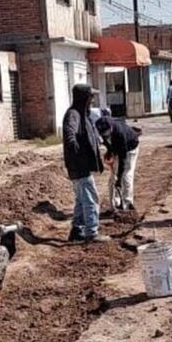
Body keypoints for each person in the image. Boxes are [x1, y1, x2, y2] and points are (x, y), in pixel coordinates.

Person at [62, 84, 110, 244]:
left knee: (82, 199)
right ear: (84, 98)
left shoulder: (80, 113)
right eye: (91, 96)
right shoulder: (73, 115)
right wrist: (77, 155)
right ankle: (92, 232)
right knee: (91, 198)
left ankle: (77, 230)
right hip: (79, 166)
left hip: (78, 166)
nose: (93, 99)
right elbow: (70, 134)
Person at [96, 109, 142, 212]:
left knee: (125, 175)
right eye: (103, 134)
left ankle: (127, 204)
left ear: (110, 128)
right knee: (113, 178)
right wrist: (109, 150)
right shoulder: (102, 130)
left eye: (106, 134)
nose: (104, 136)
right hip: (118, 148)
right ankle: (114, 205)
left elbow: (123, 159)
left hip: (130, 148)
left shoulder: (120, 133)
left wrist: (119, 178)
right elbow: (106, 142)